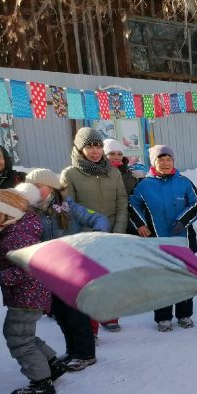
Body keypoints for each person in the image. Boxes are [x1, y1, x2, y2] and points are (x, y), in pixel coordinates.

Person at [15, 171, 109, 373]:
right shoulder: (28, 212)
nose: (35, 189)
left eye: (39, 185)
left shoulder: (69, 207)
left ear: (53, 188)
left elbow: (98, 219)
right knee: (60, 314)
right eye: (32, 186)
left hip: (71, 269)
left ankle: (86, 354)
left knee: (76, 314)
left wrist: (95, 238)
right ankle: (72, 351)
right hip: (47, 271)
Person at [0, 189, 67, 394]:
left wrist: (1, 276)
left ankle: (41, 382)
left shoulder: (16, 236)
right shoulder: (16, 229)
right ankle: (51, 364)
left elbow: (27, 268)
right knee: (23, 334)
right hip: (30, 295)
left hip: (27, 296)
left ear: (7, 213)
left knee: (18, 337)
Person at [61, 127, 128, 333]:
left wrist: (117, 230)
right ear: (80, 149)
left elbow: (121, 203)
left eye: (98, 146)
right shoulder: (70, 174)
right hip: (85, 234)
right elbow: (68, 207)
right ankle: (89, 326)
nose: (95, 151)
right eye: (89, 146)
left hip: (110, 233)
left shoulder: (113, 172)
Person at [129, 145, 197, 332]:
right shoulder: (144, 185)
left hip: (183, 239)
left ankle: (184, 315)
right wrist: (141, 224)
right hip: (157, 240)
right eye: (161, 159)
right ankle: (163, 317)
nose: (165, 163)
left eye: (169, 159)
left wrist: (182, 220)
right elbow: (132, 205)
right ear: (154, 162)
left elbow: (196, 204)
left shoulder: (184, 182)